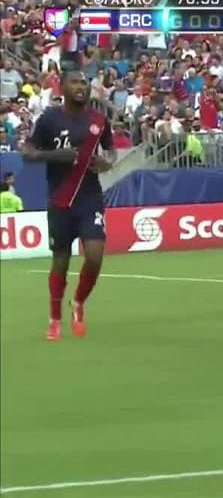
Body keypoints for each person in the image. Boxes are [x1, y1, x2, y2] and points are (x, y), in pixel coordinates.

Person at [21, 71, 115, 341]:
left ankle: (78, 302)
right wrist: (53, 155)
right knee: (60, 260)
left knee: (95, 255)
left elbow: (110, 150)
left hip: (89, 197)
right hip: (60, 198)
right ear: (61, 87)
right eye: (74, 82)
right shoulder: (49, 119)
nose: (80, 87)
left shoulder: (99, 120)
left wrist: (107, 162)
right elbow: (28, 152)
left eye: (84, 83)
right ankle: (54, 318)